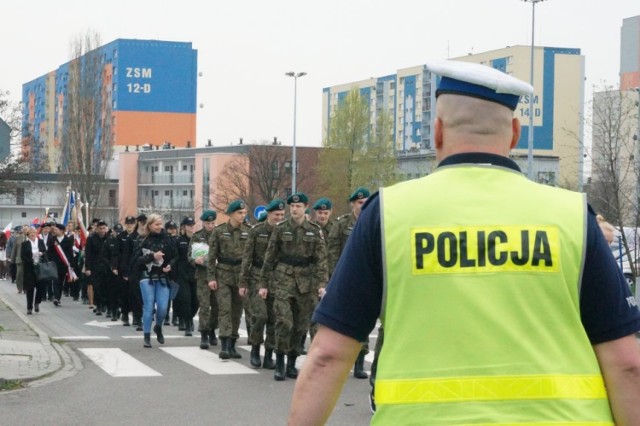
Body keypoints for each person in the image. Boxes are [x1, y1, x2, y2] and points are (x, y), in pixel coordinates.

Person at [289, 60, 640, 424]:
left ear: (437, 132)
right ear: (515, 133)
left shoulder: (389, 214)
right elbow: (626, 363)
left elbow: (329, 356)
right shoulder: (571, 216)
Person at [259, 192, 328, 381]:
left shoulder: (314, 230)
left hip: (306, 283)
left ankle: (291, 362)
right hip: (283, 279)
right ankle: (279, 361)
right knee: (284, 322)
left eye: (298, 206)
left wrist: (322, 284)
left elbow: (321, 260)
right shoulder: (281, 229)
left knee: (300, 325)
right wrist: (263, 283)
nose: (295, 209)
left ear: (306, 207)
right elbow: (270, 257)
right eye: (292, 207)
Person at [326, 187, 371, 379]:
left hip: (367, 277)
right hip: (346, 277)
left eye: (366, 202)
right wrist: (334, 278)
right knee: (342, 321)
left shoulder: (373, 222)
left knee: (365, 320)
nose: (363, 206)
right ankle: (338, 360)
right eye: (360, 203)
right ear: (353, 204)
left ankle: (360, 362)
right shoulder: (342, 224)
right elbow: (332, 251)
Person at [239, 199, 285, 368]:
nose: (279, 218)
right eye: (276, 215)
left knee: (274, 318)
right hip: (256, 278)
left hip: (278, 278)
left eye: (281, 215)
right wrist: (242, 282)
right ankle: (255, 348)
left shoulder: (286, 231)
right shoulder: (257, 231)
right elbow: (247, 258)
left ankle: (269, 354)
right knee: (260, 316)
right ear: (269, 215)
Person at [207, 199, 251, 360]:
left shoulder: (249, 231)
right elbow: (211, 257)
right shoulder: (219, 232)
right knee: (225, 309)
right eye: (240, 213)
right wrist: (211, 277)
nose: (243, 215)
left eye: (244, 213)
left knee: (237, 311)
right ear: (231, 214)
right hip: (223, 274)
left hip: (241, 275)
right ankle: (224, 344)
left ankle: (232, 343)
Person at [132, 214, 176, 348]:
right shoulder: (142, 239)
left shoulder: (167, 239)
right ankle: (146, 335)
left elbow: (175, 256)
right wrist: (152, 256)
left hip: (163, 276)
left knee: (163, 307)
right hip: (147, 276)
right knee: (149, 306)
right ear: (149, 225)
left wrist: (171, 265)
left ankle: (158, 326)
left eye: (160, 224)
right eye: (156, 224)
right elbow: (136, 260)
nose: (160, 227)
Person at [190, 209, 219, 349]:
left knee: (217, 306)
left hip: (218, 275)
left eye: (213, 223)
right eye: (208, 223)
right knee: (204, 305)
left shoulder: (219, 234)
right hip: (202, 275)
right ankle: (204, 334)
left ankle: (213, 329)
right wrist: (195, 261)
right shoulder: (197, 237)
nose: (210, 225)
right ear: (203, 223)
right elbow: (189, 256)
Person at [171, 216, 197, 336]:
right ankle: (187, 323)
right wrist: (173, 272)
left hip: (196, 273)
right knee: (185, 299)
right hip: (182, 274)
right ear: (184, 227)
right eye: (189, 225)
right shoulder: (179, 240)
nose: (191, 227)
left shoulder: (198, 239)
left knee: (196, 301)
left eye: (192, 225)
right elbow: (175, 257)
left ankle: (189, 318)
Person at [47, 223, 75, 307]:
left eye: (56, 230)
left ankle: (58, 297)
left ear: (62, 231)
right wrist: (49, 261)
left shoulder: (68, 240)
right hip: (54, 264)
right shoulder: (52, 239)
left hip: (64, 264)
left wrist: (72, 264)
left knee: (61, 281)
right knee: (55, 281)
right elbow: (49, 252)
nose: (54, 231)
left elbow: (70, 253)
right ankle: (56, 297)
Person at [21, 227, 46, 314]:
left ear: (36, 234)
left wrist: (41, 254)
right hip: (29, 269)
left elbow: (44, 252)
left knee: (40, 287)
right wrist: (31, 259)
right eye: (31, 233)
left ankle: (37, 303)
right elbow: (22, 256)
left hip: (40, 268)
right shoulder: (25, 244)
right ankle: (29, 307)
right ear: (28, 235)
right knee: (30, 289)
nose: (32, 234)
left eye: (34, 233)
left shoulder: (40, 242)